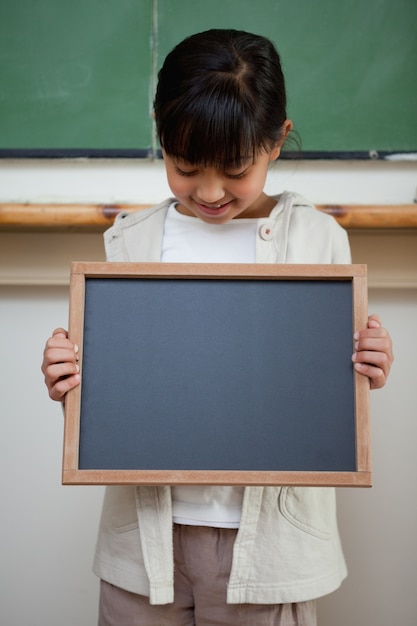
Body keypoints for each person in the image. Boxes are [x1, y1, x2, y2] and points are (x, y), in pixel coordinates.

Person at [41, 29, 393, 626]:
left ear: (276, 142)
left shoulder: (317, 241)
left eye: (234, 168)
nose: (209, 190)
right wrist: (70, 376)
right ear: (160, 132)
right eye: (185, 166)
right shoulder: (130, 242)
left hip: (268, 551)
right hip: (146, 545)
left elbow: (327, 387)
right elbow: (116, 389)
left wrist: (367, 365)